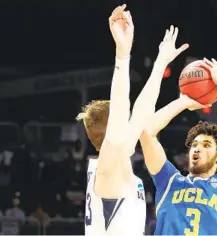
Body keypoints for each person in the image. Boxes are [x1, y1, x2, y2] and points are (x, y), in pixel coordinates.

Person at [76, 5, 189, 236]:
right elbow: (122, 110)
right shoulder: (108, 168)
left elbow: (141, 112)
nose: (128, 120)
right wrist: (122, 54)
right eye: (122, 119)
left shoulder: (118, 161)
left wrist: (161, 63)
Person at [140, 58, 217, 235]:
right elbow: (147, 133)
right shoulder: (169, 181)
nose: (197, 148)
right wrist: (183, 102)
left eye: (206, 145)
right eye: (195, 144)